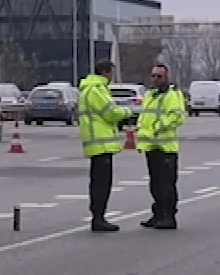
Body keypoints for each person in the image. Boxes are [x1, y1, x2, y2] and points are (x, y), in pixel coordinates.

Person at [78, 59, 133, 232]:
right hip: (101, 144)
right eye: (112, 72)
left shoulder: (89, 88)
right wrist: (127, 112)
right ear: (105, 72)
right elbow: (110, 112)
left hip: (96, 143)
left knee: (98, 183)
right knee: (102, 184)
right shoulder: (96, 90)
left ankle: (98, 216)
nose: (112, 76)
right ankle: (99, 218)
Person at [137, 63, 188, 230]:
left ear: (166, 77)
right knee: (155, 184)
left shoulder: (172, 95)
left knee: (167, 184)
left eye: (159, 76)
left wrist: (157, 127)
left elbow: (177, 117)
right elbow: (144, 118)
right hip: (151, 147)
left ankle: (169, 216)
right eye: (153, 76)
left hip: (166, 147)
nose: (155, 79)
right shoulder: (150, 95)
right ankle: (158, 213)